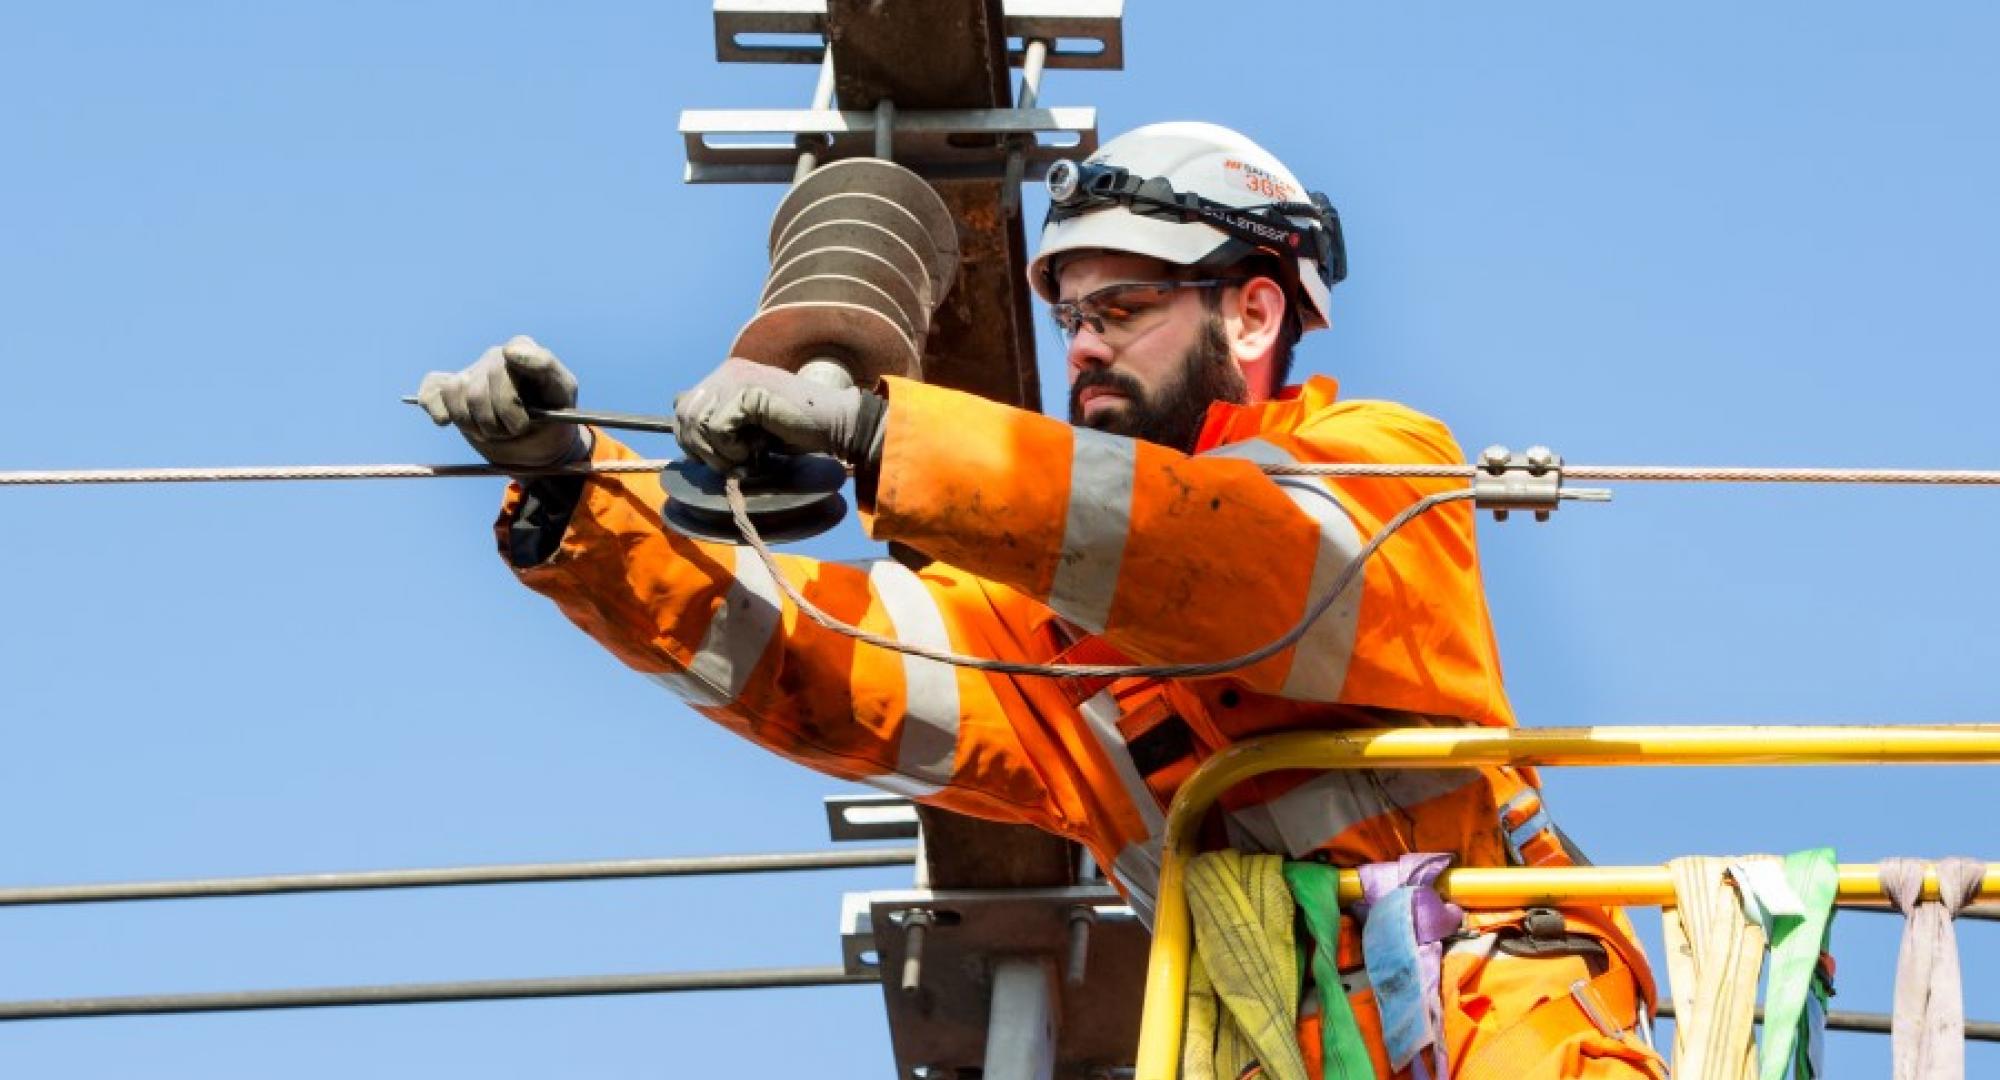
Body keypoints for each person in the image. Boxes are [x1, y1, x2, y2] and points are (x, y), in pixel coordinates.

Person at [420, 122, 1664, 1078]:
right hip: (1256, 1040)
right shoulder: (1043, 636)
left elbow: (1230, 560)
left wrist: (879, 433)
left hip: (1496, 1022)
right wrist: (580, 498)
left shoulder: (1376, 468)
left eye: (1121, 309)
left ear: (1252, 311)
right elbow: (808, 661)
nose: (1079, 347)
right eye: (1069, 315)